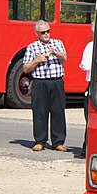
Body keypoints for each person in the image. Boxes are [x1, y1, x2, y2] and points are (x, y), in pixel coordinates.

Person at [23, 20, 68, 152]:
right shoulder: (32, 47)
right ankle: (40, 141)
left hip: (56, 81)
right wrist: (37, 60)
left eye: (48, 31)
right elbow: (26, 68)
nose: (46, 34)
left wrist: (55, 52)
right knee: (40, 112)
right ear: (37, 33)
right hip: (40, 82)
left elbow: (64, 57)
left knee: (58, 111)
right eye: (43, 32)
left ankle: (58, 142)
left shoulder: (57, 43)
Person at [78, 22, 94, 158]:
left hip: (94, 85)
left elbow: (85, 65)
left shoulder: (91, 46)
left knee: (89, 116)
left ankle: (86, 149)